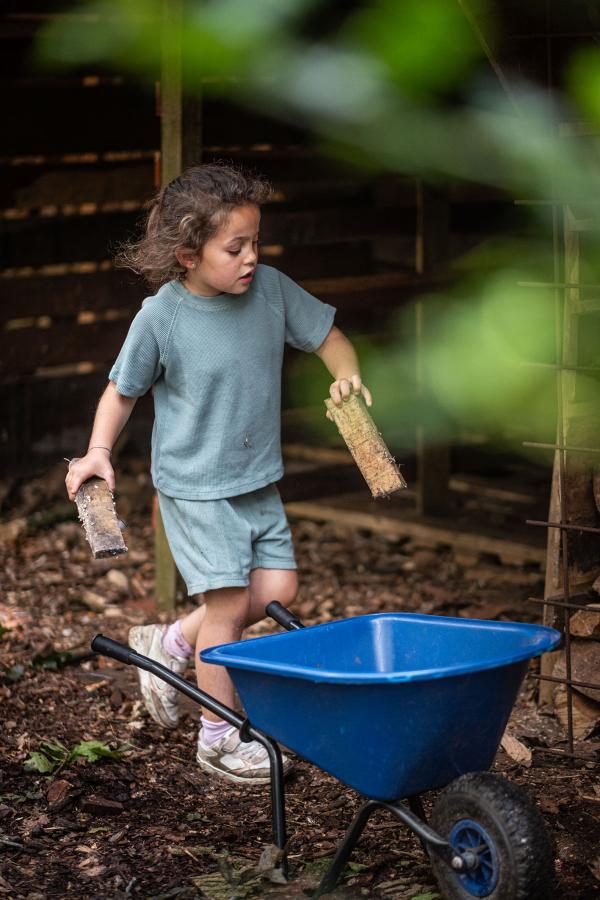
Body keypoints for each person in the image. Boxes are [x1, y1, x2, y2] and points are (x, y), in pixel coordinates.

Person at [66, 163, 372, 785]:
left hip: (258, 480)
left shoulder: (274, 292)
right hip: (196, 488)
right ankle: (218, 739)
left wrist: (348, 374)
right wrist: (98, 451)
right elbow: (120, 393)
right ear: (186, 253)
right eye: (235, 248)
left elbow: (329, 338)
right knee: (228, 610)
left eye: (256, 242)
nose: (251, 257)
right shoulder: (162, 318)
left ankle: (172, 644)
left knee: (279, 592)